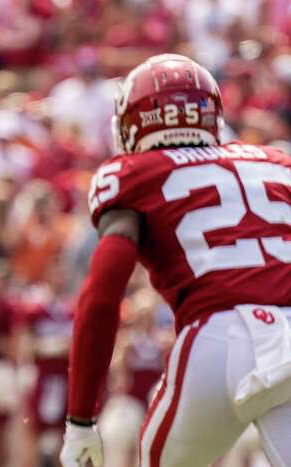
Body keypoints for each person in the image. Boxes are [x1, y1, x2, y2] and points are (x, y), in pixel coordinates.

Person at [59, 54, 291, 467]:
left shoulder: (133, 173)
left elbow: (102, 294)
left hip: (214, 338)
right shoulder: (276, 164)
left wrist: (80, 418)